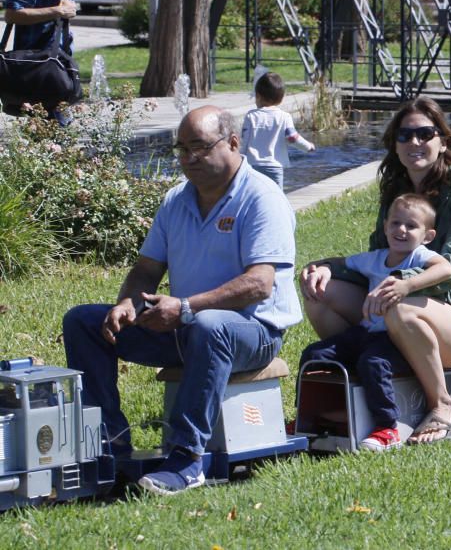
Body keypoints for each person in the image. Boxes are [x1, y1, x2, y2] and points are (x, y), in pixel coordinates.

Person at [62, 106, 301, 495]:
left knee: (209, 325)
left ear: (234, 143)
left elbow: (259, 284)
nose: (189, 158)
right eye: (182, 149)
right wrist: (127, 304)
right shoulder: (176, 200)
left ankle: (187, 459)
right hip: (183, 325)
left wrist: (186, 306)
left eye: (200, 147)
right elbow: (146, 270)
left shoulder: (263, 198)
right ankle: (109, 444)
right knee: (84, 322)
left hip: (253, 332)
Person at [299, 96, 451, 444]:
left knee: (400, 307)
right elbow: (379, 260)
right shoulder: (396, 189)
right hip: (394, 315)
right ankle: (362, 383)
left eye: (425, 133)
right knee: (320, 293)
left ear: (443, 141)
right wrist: (326, 268)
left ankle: (441, 404)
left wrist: (403, 285)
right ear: (394, 143)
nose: (415, 142)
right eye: (405, 135)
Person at [298, 193, 451, 451]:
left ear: (427, 236)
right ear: (385, 226)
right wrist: (324, 267)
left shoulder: (419, 256)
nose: (401, 230)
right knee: (315, 354)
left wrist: (408, 284)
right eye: (395, 223)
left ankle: (386, 427)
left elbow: (445, 268)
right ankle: (307, 417)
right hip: (364, 332)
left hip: (395, 338)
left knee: (373, 363)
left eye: (411, 226)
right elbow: (342, 263)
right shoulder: (375, 258)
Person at [240, 71, 315, 190]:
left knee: (253, 195)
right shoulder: (284, 117)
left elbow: (244, 142)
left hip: (252, 166)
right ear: (281, 99)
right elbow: (292, 138)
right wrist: (308, 146)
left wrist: (240, 160)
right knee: (276, 196)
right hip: (275, 167)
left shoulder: (250, 116)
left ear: (258, 96)